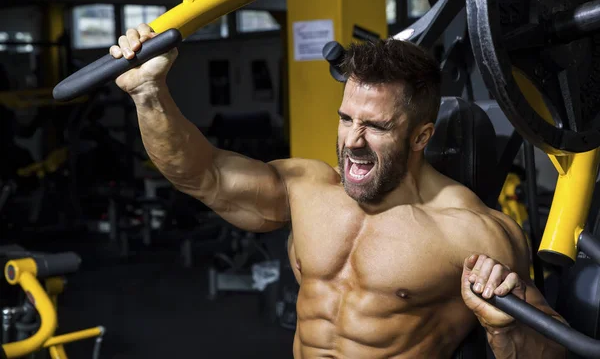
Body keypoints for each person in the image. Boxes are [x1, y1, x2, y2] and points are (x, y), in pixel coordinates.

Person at [110, 23, 567, 358]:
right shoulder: (307, 189)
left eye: (375, 126)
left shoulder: (472, 234)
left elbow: (553, 352)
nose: (352, 140)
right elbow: (201, 173)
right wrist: (149, 92)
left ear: (422, 137)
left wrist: (502, 330)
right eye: (347, 118)